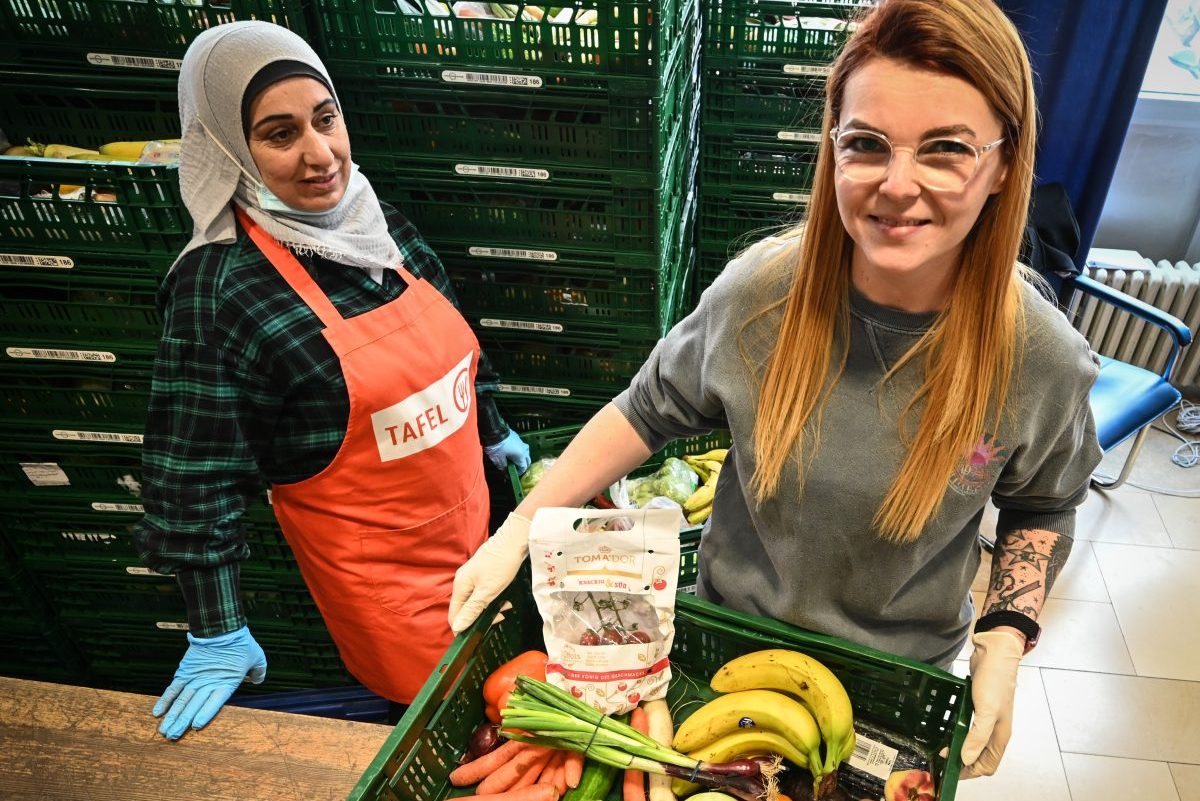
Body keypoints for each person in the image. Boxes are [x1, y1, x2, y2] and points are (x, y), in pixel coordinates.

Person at [449, 0, 1101, 780]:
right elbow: (647, 409)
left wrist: (1005, 633)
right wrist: (522, 523)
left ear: (1002, 165)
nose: (898, 185)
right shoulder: (759, 297)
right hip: (722, 653)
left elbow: (1044, 501)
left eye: (946, 149)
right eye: (866, 144)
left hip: (898, 681)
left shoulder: (1040, 358)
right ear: (833, 149)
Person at [133, 20, 531, 740]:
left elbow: (458, 343)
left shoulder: (375, 222)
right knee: (454, 732)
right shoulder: (220, 293)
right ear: (227, 147)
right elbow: (192, 480)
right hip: (390, 595)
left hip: (481, 536)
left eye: (326, 119)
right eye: (280, 135)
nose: (320, 155)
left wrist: (493, 428)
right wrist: (217, 627)